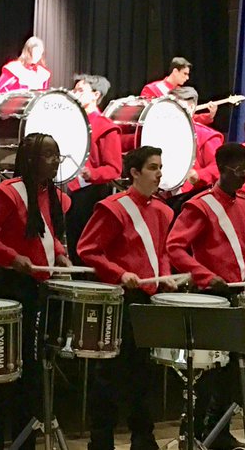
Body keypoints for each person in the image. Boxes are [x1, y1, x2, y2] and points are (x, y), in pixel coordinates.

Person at [166, 143, 245, 449]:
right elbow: (175, 247)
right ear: (223, 169)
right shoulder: (200, 205)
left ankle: (217, 430)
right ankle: (191, 431)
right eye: (239, 170)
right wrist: (205, 276)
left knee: (233, 370)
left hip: (237, 296)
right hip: (209, 296)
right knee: (206, 371)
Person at [0, 133, 71, 450]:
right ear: (30, 160)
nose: (55, 162)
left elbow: (44, 234)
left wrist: (60, 254)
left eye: (57, 156)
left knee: (31, 371)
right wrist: (12, 259)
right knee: (5, 370)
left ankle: (24, 442)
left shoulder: (51, 194)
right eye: (48, 156)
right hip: (13, 288)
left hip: (40, 288)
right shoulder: (9, 194)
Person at [79, 146, 175, 450]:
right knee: (109, 375)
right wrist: (120, 273)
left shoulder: (163, 211)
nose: (159, 173)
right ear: (134, 173)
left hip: (148, 299)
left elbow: (161, 252)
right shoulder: (113, 208)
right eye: (152, 168)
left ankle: (143, 439)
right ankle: (101, 441)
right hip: (120, 300)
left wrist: (165, 274)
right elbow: (88, 249)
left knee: (144, 375)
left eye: (160, 167)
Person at [65, 75, 122, 267]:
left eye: (80, 90)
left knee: (85, 248)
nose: (74, 94)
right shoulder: (69, 121)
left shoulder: (105, 127)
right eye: (74, 90)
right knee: (71, 245)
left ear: (95, 95)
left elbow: (114, 169)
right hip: (68, 190)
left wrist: (93, 174)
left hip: (89, 194)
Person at [168, 87, 223, 205]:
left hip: (192, 198)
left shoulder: (207, 135)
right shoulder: (163, 132)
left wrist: (198, 176)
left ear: (191, 107)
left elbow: (218, 167)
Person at [141, 57, 216, 125]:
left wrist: (210, 115)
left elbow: (189, 118)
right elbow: (145, 118)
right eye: (185, 74)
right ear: (175, 71)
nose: (187, 78)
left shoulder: (182, 92)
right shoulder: (151, 89)